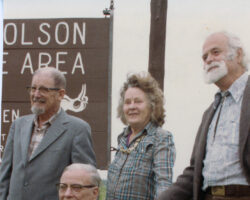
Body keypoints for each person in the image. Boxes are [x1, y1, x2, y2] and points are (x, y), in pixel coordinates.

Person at [158, 31, 250, 200]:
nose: (208, 60)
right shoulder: (210, 113)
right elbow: (195, 171)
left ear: (238, 54)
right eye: (204, 57)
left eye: (215, 52)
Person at [0, 67, 96, 200]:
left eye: (44, 89)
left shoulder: (77, 130)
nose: (36, 94)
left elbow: (86, 183)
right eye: (33, 88)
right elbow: (4, 177)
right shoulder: (18, 125)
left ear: (61, 94)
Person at [106, 72, 176, 200]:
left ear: (152, 106)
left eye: (138, 101)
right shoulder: (122, 137)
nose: (132, 106)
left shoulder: (161, 138)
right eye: (127, 102)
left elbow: (164, 185)